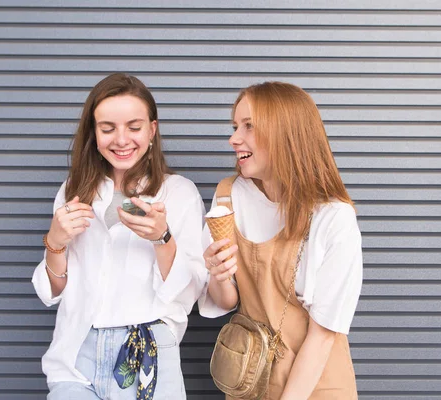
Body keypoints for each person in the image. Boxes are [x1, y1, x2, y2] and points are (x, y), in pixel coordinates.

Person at [32, 73, 206, 400]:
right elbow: (53, 291)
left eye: (134, 127)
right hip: (77, 354)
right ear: (94, 134)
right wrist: (55, 242)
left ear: (152, 130)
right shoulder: (74, 192)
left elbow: (192, 289)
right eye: (108, 128)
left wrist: (162, 238)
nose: (121, 140)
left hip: (147, 349)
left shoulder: (179, 193)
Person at [199, 81, 362, 399]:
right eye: (235, 126)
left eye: (249, 126)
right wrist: (217, 275)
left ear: (287, 133)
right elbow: (227, 302)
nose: (234, 139)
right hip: (249, 381)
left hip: (316, 383)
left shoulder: (333, 218)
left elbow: (322, 337)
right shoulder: (228, 196)